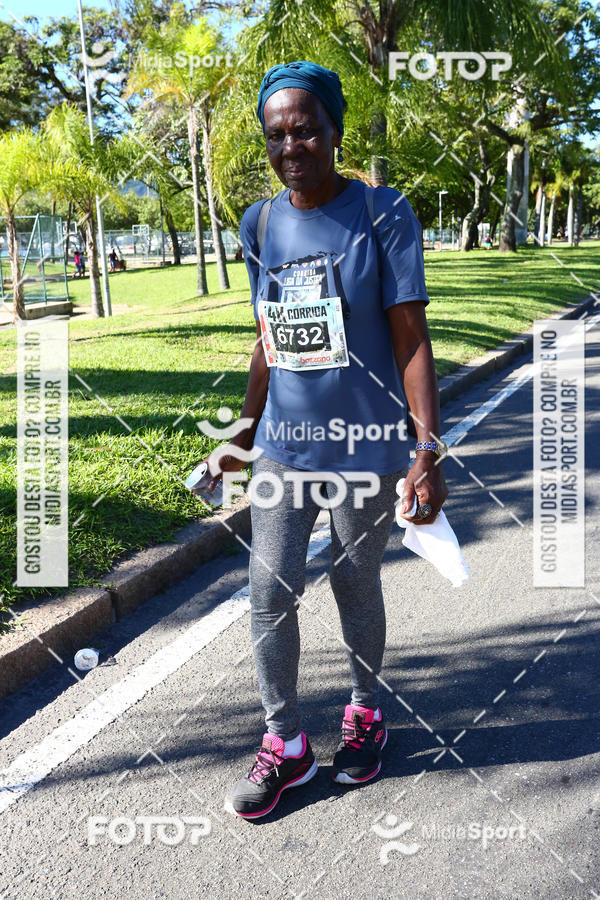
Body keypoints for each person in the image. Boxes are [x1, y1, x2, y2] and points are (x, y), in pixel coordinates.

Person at [196, 60, 447, 819]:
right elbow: (270, 339)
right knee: (268, 590)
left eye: (305, 128)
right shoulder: (261, 224)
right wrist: (240, 436)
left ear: (334, 131)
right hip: (284, 446)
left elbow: (412, 338)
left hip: (366, 447)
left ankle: (366, 711)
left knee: (352, 578)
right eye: (277, 134)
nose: (291, 144)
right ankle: (287, 746)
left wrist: (427, 450)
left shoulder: (384, 211)